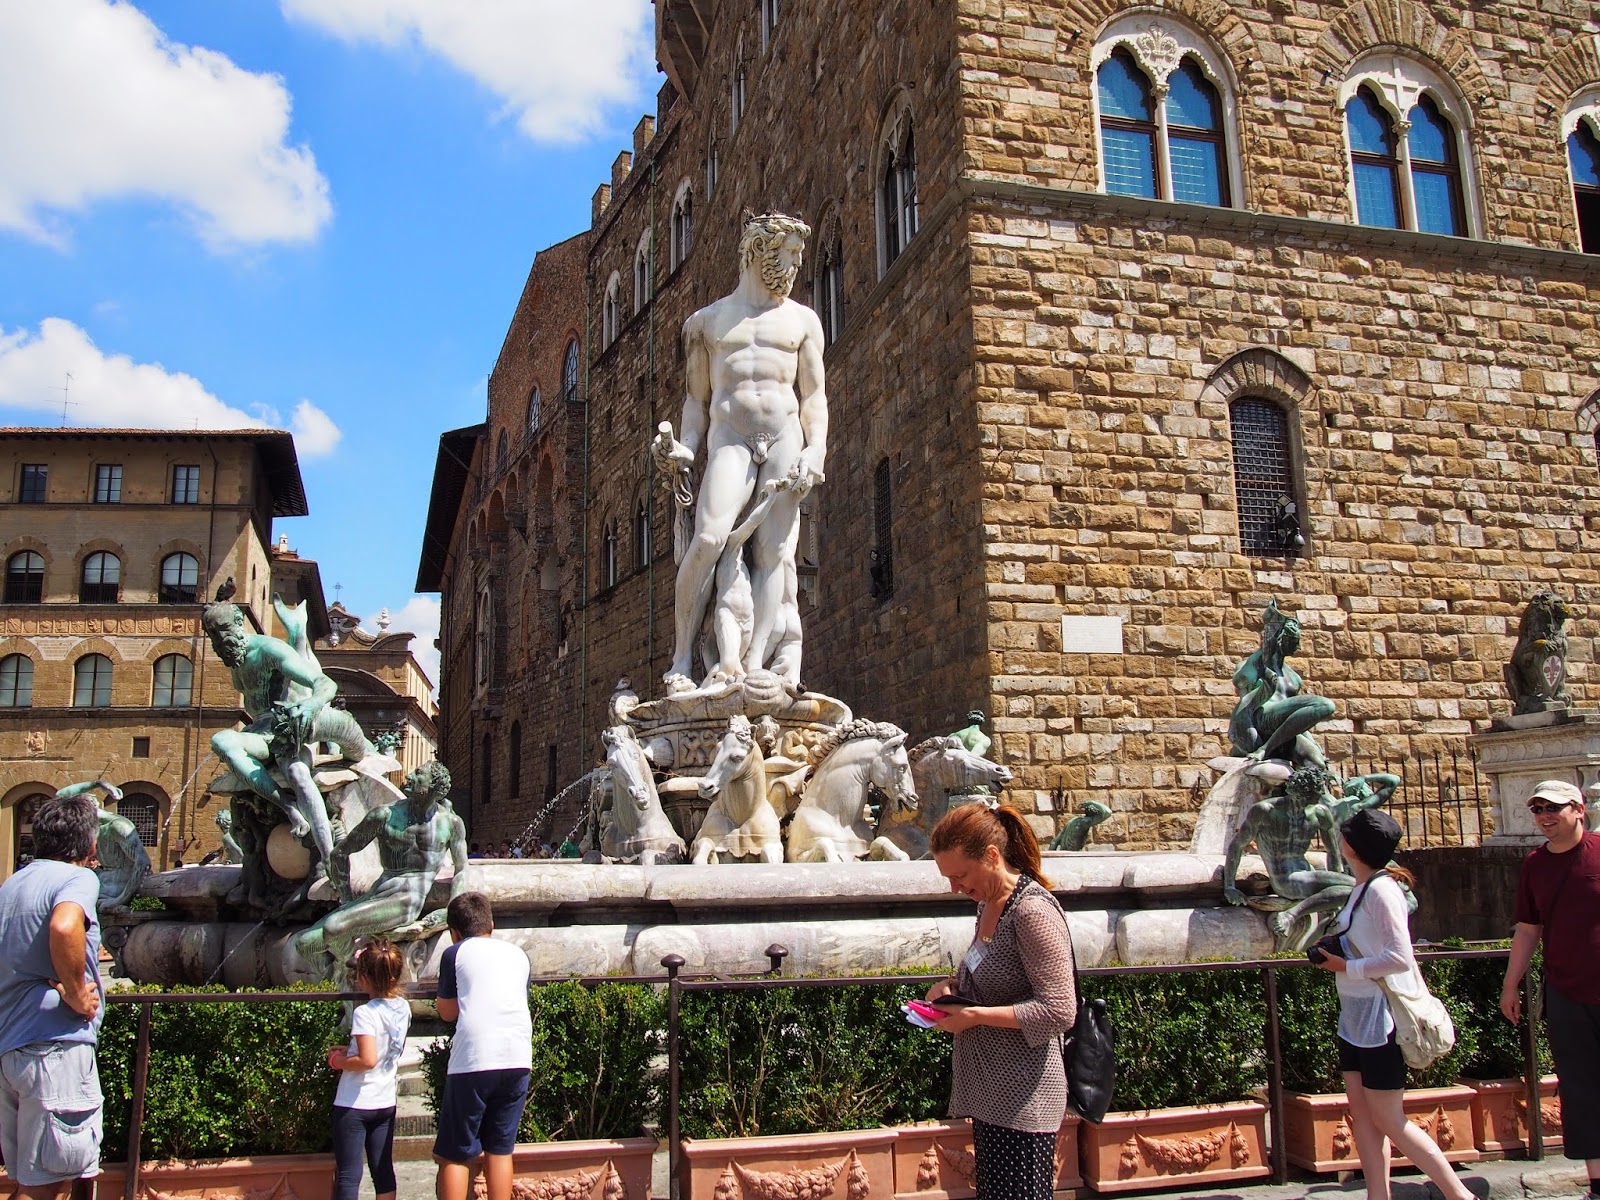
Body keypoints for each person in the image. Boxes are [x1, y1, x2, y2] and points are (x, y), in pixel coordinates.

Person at [651, 211, 828, 694]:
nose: (796, 265)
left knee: (775, 553)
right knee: (708, 539)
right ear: (759, 250)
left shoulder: (803, 321)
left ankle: (752, 665)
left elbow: (814, 396)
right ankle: (681, 658)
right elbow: (696, 401)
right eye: (789, 253)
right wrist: (685, 449)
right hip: (730, 438)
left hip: (785, 437)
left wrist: (817, 450)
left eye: (799, 256)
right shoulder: (705, 324)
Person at [1312, 808, 1474, 1200]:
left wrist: (1347, 966)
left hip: (1381, 1019)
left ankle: (1460, 1195)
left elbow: (1400, 956)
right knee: (1364, 1118)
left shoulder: (1382, 891)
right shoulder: (1363, 888)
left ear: (1352, 847)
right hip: (1355, 1018)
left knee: (1388, 1118)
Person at [924, 801, 1077, 1200]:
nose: (955, 888)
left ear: (992, 856)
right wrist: (949, 989)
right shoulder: (989, 905)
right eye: (948, 878)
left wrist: (975, 1015)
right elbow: (988, 976)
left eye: (960, 875)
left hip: (1025, 1099)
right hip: (992, 1095)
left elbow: (1059, 1009)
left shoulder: (1032, 911)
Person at [0, 792, 105, 1200]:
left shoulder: (13, 884)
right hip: (53, 1050)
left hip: (12, 1049)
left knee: (33, 1180)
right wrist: (77, 994)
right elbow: (64, 926)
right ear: (90, 844)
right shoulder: (77, 878)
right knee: (45, 1187)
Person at [1500, 779, 1600, 1200]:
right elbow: (1528, 928)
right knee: (1580, 1089)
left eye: (1553, 808)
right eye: (1538, 809)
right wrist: (1510, 985)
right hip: (1567, 993)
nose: (1544, 816)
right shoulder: (1535, 865)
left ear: (1579, 809)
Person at [293, 762, 468, 976]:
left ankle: (352, 971)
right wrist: (346, 899)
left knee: (334, 927)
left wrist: (450, 910)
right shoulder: (384, 815)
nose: (409, 776)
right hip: (378, 894)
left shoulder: (451, 823)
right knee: (305, 943)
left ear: (433, 785)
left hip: (407, 900)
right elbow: (339, 853)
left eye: (418, 773)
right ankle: (346, 973)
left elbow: (462, 869)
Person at [433, 893, 532, 1200]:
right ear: (491, 923)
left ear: (454, 932)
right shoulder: (519, 955)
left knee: (456, 1152)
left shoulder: (454, 953)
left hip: (474, 1059)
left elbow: (447, 1011)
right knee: (500, 1149)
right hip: (517, 1057)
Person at [328, 941, 410, 1200]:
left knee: (349, 1174)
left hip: (355, 1101)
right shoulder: (403, 1007)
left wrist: (337, 1061)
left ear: (364, 978)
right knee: (382, 1170)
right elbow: (384, 1046)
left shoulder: (365, 1013)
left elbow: (367, 1059)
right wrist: (350, 1049)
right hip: (384, 1100)